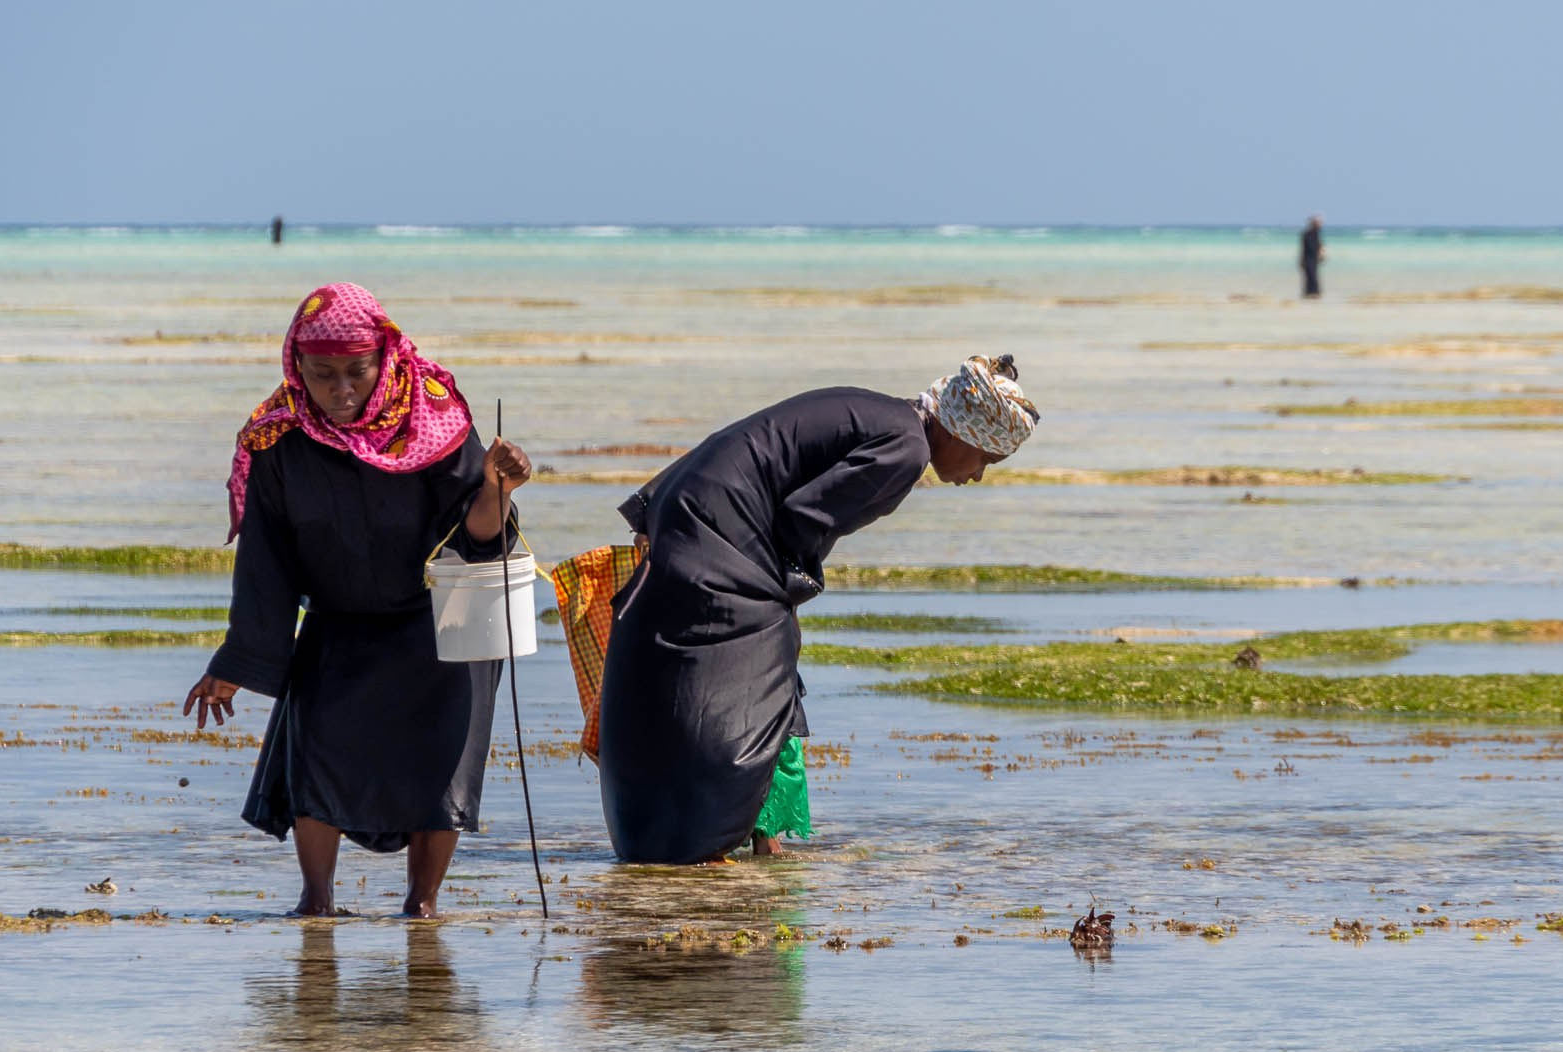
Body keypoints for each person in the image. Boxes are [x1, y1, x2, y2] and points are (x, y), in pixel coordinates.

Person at [597, 354, 1040, 864]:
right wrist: (789, 590)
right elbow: (802, 520)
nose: (978, 475)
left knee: (765, 666)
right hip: (719, 525)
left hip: (690, 501)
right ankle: (724, 834)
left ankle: (759, 833)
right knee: (761, 675)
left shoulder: (890, 416)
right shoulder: (908, 449)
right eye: (986, 459)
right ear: (964, 432)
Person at [183, 283, 533, 917]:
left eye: (356, 372)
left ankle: (422, 904)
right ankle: (316, 901)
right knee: (318, 757)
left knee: (441, 770)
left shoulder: (435, 415)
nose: (342, 390)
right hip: (338, 623)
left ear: (384, 359)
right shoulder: (277, 438)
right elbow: (266, 567)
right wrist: (237, 663)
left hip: (440, 625)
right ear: (297, 366)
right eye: (323, 375)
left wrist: (498, 489)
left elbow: (479, 539)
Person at [1300, 214, 1325, 298]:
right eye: (1318, 223)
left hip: (1313, 259)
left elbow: (1319, 245)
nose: (1320, 225)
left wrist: (1322, 252)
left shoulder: (1316, 233)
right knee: (1311, 277)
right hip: (1308, 259)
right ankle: (1311, 295)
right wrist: (1301, 260)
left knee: (1312, 277)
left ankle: (1313, 296)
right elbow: (1305, 248)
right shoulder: (1307, 234)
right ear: (1314, 224)